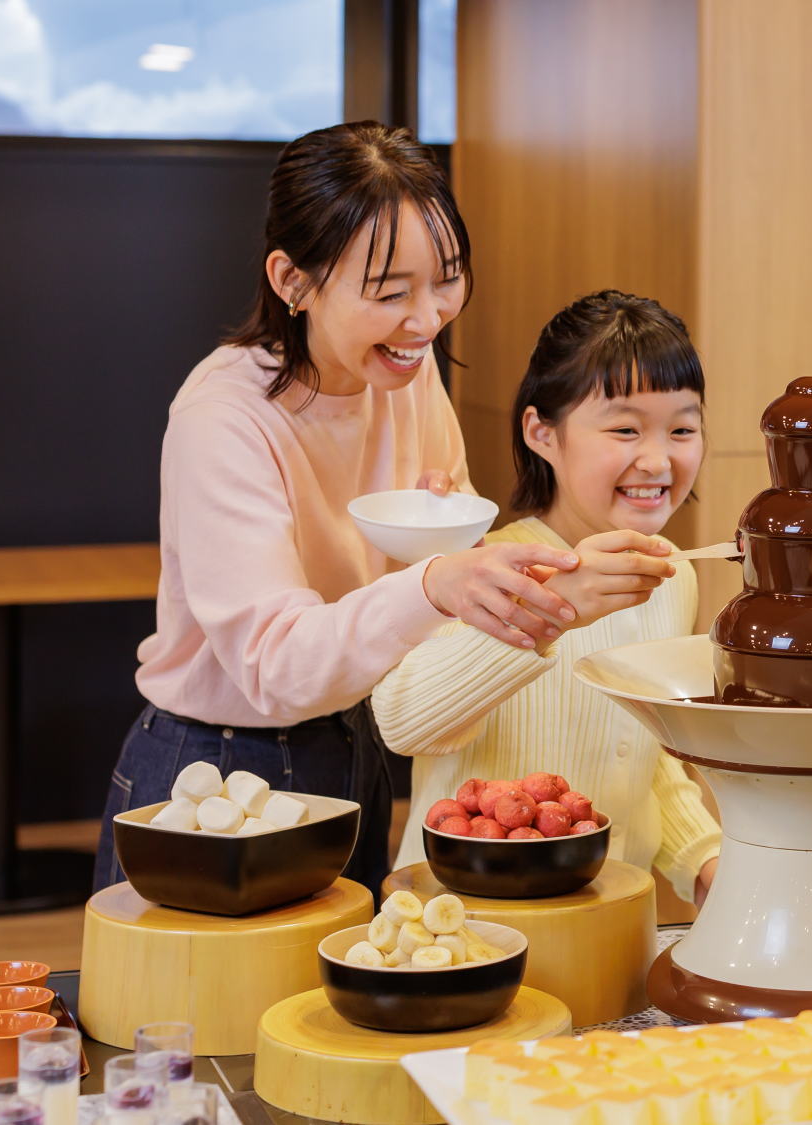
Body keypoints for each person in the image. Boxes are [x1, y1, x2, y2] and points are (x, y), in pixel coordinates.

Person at [94, 122, 584, 894]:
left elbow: (440, 567)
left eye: (447, 278)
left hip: (356, 746)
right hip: (217, 771)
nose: (427, 319)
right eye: (389, 293)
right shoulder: (225, 416)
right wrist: (432, 583)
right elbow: (277, 665)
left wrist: (463, 560)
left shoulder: (404, 372)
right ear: (292, 280)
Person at [371, 291, 722, 905]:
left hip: (607, 917)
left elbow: (646, 758)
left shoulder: (673, 576)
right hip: (465, 919)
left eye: (682, 429)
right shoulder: (478, 565)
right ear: (542, 433)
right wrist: (549, 610)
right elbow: (404, 723)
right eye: (625, 429)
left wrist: (705, 861)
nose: (658, 459)